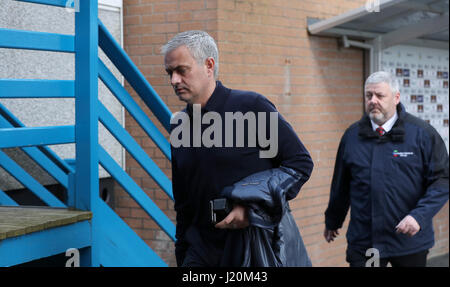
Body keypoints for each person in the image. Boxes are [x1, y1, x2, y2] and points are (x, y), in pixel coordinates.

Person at [163, 30, 314, 267]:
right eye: (169, 73)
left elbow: (299, 163)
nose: (174, 80)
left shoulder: (251, 107)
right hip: (200, 254)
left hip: (254, 249)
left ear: (209, 65)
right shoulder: (179, 126)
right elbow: (183, 204)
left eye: (182, 70)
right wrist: (183, 255)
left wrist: (252, 207)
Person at [324, 71, 449, 267]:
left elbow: (442, 181)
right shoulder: (351, 137)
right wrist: (333, 221)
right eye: (368, 95)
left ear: (396, 98)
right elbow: (341, 185)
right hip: (366, 242)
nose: (373, 101)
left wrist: (419, 216)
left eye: (380, 96)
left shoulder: (422, 134)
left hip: (410, 240)